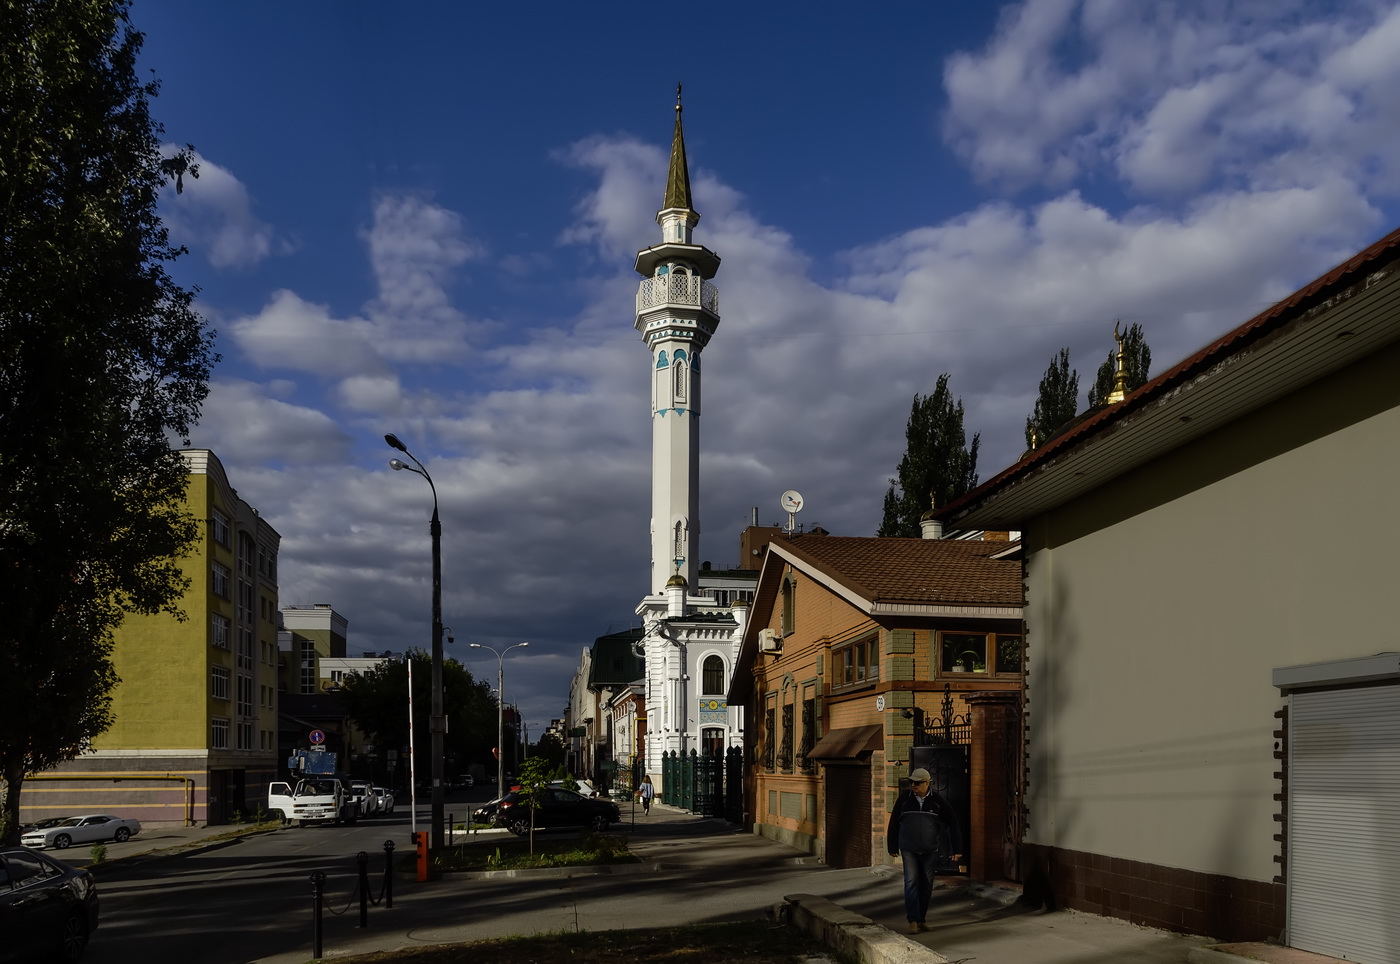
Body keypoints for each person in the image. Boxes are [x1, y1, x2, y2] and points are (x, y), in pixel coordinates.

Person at [886, 767, 961, 935]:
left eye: (917, 783)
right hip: (909, 849)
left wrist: (957, 848)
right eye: (912, 782)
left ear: (927, 783)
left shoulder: (937, 802)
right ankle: (912, 920)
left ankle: (921, 920)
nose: (913, 785)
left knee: (926, 886)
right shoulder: (904, 800)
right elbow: (894, 823)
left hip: (929, 850)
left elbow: (952, 823)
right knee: (911, 882)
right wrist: (892, 846)